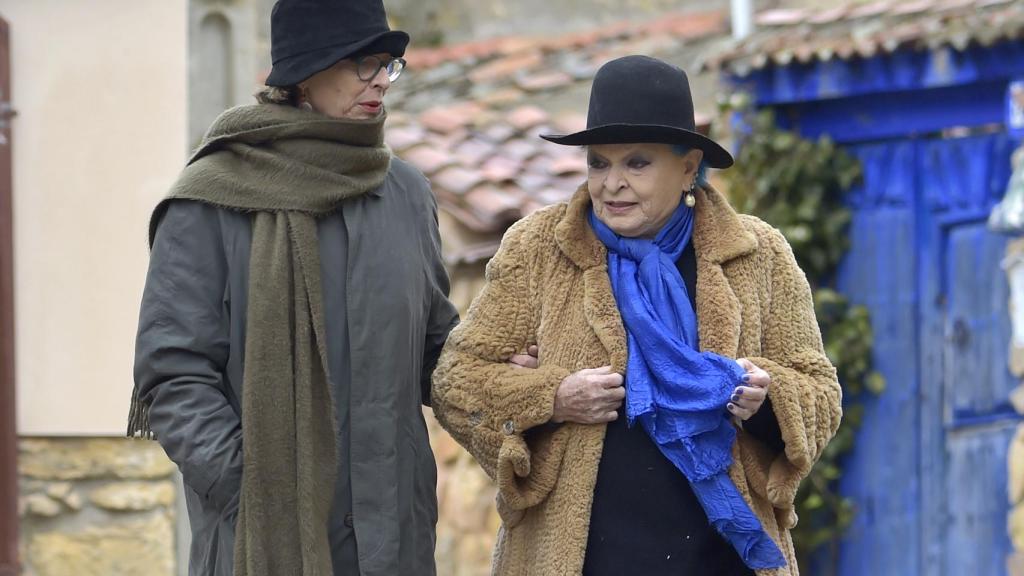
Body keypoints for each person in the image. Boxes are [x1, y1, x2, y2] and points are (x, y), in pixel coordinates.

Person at [431, 55, 842, 576]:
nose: (611, 184)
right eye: (598, 163)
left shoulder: (757, 254)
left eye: (637, 163)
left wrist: (766, 397)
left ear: (688, 166)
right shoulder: (538, 250)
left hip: (722, 558)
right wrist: (553, 396)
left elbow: (821, 394)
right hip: (580, 556)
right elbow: (456, 381)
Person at [128, 1, 459, 575]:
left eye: (388, 64)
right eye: (363, 63)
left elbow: (435, 350)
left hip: (394, 546)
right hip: (259, 543)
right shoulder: (210, 201)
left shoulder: (405, 194)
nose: (381, 78)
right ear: (305, 73)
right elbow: (173, 374)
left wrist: (506, 371)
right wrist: (253, 492)